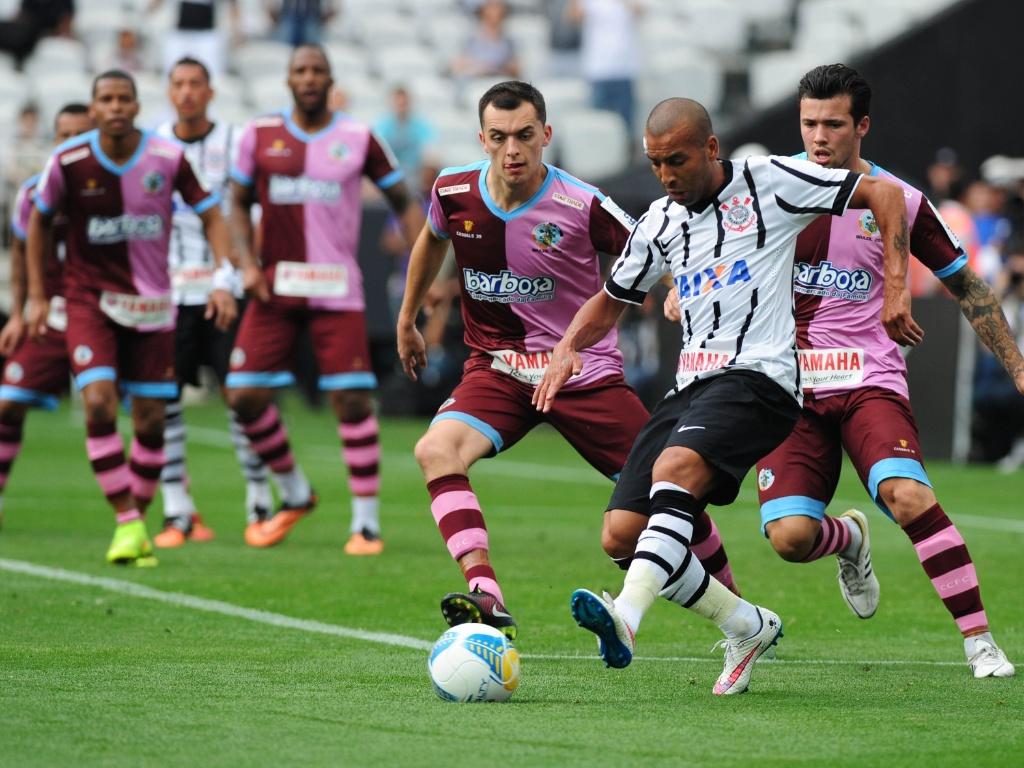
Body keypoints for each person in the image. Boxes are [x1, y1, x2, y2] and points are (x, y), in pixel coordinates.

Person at [534, 96, 918, 695]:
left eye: (677, 160)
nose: (666, 175)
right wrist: (567, 346)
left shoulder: (770, 182)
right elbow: (612, 297)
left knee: (676, 469)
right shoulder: (659, 220)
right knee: (620, 533)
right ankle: (747, 624)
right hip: (691, 384)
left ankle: (626, 620)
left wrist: (896, 286)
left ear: (712, 148)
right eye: (655, 163)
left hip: (761, 378)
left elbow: (886, 196)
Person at [396, 81, 740, 642]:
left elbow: (654, 244)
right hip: (498, 370)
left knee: (671, 493)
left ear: (546, 136)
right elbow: (431, 241)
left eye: (525, 136)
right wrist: (407, 318)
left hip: (585, 375)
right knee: (435, 449)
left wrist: (678, 286)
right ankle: (487, 592)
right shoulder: (453, 190)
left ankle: (737, 611)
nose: (513, 150)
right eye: (500, 137)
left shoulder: (582, 204)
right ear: (481, 139)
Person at [750, 64, 1022, 678]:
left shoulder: (903, 200)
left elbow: (969, 287)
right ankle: (849, 540)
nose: (819, 137)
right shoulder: (766, 190)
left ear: (862, 126)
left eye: (833, 124)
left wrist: (1017, 366)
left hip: (867, 378)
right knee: (791, 539)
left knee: (908, 495)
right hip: (786, 388)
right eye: (809, 123)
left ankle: (979, 642)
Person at [27, 69, 237, 566]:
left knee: (149, 422)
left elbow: (211, 213)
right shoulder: (70, 160)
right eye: (106, 99)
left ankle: (135, 522)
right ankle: (127, 518)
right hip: (89, 303)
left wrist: (222, 274)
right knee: (99, 404)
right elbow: (36, 221)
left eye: (124, 98)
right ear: (94, 109)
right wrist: (37, 295)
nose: (116, 106)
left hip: (152, 306)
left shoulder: (166, 159)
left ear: (138, 106)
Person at [227, 44, 424, 554]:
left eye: (317, 71)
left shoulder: (358, 137)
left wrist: (425, 271)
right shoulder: (259, 135)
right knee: (244, 395)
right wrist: (246, 264)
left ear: (330, 80)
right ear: (288, 80)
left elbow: (405, 204)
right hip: (275, 287)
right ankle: (294, 491)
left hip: (338, 289)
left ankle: (366, 525)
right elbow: (235, 203)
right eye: (300, 70)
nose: (308, 78)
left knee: (352, 399)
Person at [152, 56, 272, 548]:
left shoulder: (236, 141)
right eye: (178, 84)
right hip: (170, 291)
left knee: (241, 398)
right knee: (163, 400)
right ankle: (177, 508)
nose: (186, 93)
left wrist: (243, 270)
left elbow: (253, 211)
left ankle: (259, 499)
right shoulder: (153, 143)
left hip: (226, 290)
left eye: (194, 84)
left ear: (210, 90)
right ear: (168, 91)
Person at [0, 103, 93, 531]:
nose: (71, 142)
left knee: (145, 410)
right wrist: (18, 314)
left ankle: (170, 509)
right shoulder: (34, 192)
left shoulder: (109, 189)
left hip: (102, 313)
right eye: (63, 135)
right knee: (7, 404)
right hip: (48, 317)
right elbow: (20, 256)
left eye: (80, 134)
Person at [569, 0, 643, 135]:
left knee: (626, 125)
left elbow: (640, 11)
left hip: (625, 68)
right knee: (598, 124)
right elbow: (574, 17)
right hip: (598, 68)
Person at [373, 86, 437, 189]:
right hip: (390, 174)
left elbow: (431, 149)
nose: (401, 106)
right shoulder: (383, 125)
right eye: (398, 103)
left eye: (404, 103)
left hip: (415, 172)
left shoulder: (420, 124)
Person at [451, 0, 519, 80]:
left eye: (497, 7)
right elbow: (457, 66)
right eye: (491, 6)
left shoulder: (508, 40)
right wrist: (481, 67)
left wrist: (499, 69)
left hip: (499, 81)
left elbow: (516, 68)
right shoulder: (470, 38)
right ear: (483, 10)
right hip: (475, 82)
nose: (494, 12)